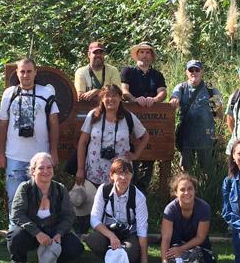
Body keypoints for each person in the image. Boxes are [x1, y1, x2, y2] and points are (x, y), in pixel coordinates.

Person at [0, 57, 59, 223]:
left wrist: (53, 152)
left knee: (40, 199)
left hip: (40, 158)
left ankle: (38, 232)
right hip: (14, 156)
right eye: (22, 71)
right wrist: (0, 153)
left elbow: (54, 123)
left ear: (35, 72)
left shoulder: (46, 93)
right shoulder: (9, 94)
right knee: (15, 199)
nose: (25, 75)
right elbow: (2, 124)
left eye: (29, 71)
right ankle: (14, 232)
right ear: (17, 73)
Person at [7, 152, 84, 263]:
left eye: (49, 167)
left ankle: (52, 258)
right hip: (31, 232)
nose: (46, 171)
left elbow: (68, 216)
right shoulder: (25, 188)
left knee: (75, 248)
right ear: (33, 171)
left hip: (53, 231)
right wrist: (37, 233)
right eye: (41, 168)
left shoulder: (60, 189)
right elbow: (17, 214)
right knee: (15, 236)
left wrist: (59, 233)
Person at [86, 157, 151, 263]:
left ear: (132, 175)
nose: (123, 177)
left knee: (131, 253)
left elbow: (142, 230)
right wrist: (111, 236)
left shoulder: (138, 197)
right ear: (111, 175)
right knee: (93, 240)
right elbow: (94, 219)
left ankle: (123, 260)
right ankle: (110, 259)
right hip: (109, 232)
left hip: (130, 234)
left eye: (127, 173)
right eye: (119, 173)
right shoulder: (103, 190)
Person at [76, 84, 149, 188]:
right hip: (94, 172)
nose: (110, 99)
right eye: (107, 96)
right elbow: (82, 143)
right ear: (102, 99)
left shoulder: (128, 117)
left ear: (120, 98)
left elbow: (145, 136)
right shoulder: (93, 115)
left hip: (121, 175)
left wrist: (136, 155)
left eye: (114, 95)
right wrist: (80, 169)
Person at [120, 41, 166, 191]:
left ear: (151, 56)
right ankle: (128, 190)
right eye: (142, 52)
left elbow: (162, 92)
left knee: (148, 158)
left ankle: (143, 193)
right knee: (130, 156)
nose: (144, 55)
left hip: (151, 122)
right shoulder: (128, 71)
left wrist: (155, 100)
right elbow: (124, 91)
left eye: (147, 53)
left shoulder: (157, 75)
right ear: (137, 54)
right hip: (130, 122)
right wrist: (134, 99)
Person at [159, 172, 214, 263]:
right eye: (182, 190)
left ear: (195, 190)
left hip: (198, 246)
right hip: (176, 245)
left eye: (190, 189)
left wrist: (181, 249)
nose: (186, 193)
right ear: (176, 192)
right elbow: (166, 238)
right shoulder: (170, 209)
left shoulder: (204, 208)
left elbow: (200, 237)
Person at [170, 59, 223, 175]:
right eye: (191, 70)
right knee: (185, 172)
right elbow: (175, 97)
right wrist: (175, 100)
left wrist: (220, 133)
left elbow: (219, 112)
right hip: (186, 136)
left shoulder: (210, 88)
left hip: (206, 137)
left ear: (202, 72)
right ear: (186, 72)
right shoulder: (181, 87)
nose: (194, 72)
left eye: (197, 70)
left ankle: (207, 187)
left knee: (207, 171)